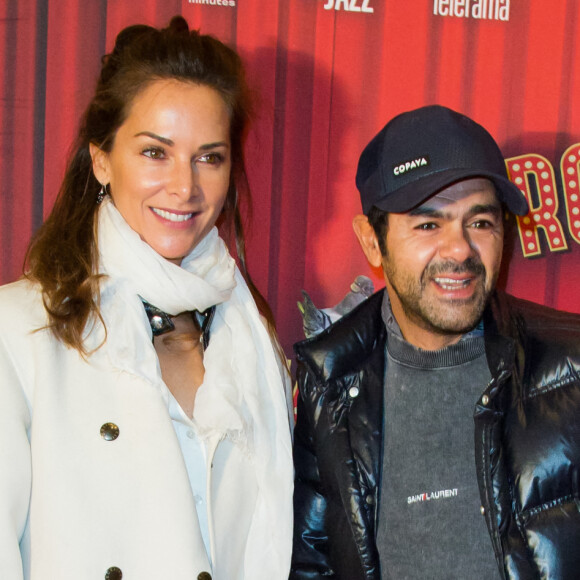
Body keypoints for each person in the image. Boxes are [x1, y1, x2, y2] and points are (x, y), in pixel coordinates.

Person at [0, 16, 293, 580]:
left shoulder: (250, 340)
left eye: (210, 157)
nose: (185, 187)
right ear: (102, 160)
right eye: (156, 153)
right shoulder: (20, 333)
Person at [290, 105, 580, 579]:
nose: (460, 249)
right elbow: (312, 564)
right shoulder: (329, 379)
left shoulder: (571, 366)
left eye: (481, 222)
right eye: (428, 225)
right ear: (371, 241)